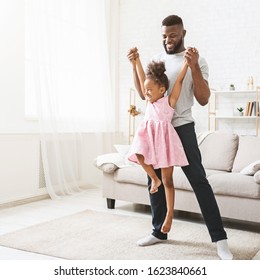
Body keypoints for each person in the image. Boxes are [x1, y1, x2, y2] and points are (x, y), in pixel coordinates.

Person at [127, 14, 233, 260]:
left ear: (183, 33)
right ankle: (158, 231)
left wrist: (193, 65)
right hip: (155, 129)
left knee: (199, 181)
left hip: (182, 127)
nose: (168, 40)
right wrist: (134, 64)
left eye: (172, 35)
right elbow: (145, 92)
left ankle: (220, 239)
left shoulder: (197, 60)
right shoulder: (157, 59)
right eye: (164, 35)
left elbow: (204, 98)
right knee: (154, 181)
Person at [127, 52, 189, 234]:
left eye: (149, 90)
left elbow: (178, 82)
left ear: (161, 90)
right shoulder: (149, 103)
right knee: (138, 153)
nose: (145, 93)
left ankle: (169, 214)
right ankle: (154, 179)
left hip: (164, 143)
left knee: (168, 180)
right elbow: (141, 77)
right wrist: (137, 60)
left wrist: (185, 65)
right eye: (145, 90)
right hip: (148, 140)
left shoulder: (169, 101)